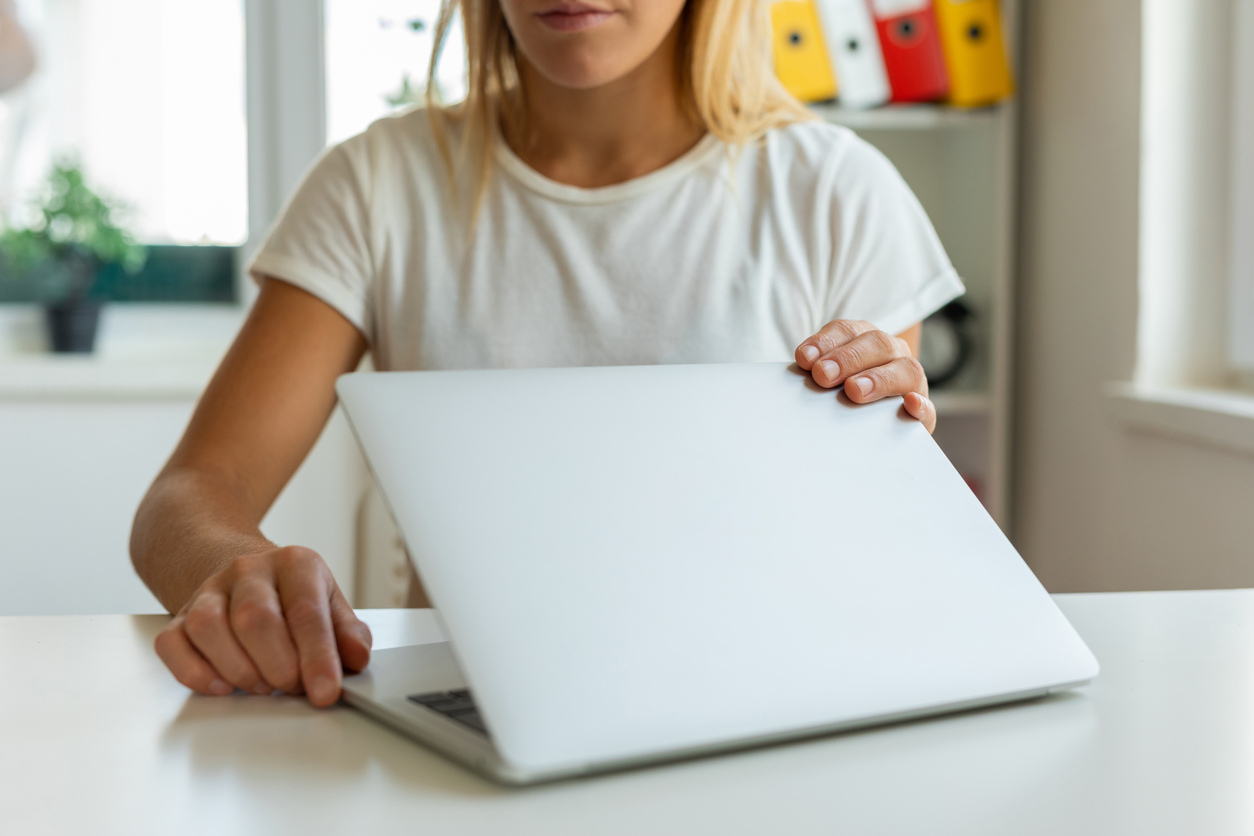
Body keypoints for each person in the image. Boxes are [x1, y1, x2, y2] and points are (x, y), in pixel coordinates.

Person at [131, 0, 963, 708]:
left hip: (756, 699)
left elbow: (866, 568)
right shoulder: (376, 182)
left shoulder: (838, 195)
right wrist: (235, 569)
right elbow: (189, 493)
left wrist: (891, 466)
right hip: (477, 717)